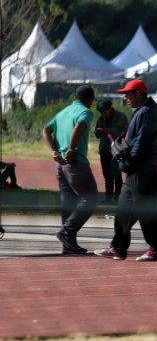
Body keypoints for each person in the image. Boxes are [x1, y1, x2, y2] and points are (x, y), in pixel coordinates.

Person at [94, 79, 157, 261]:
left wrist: (128, 161)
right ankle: (118, 247)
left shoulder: (148, 113)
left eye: (128, 94)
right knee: (124, 209)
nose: (125, 97)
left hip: (143, 170)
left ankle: (156, 248)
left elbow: (141, 141)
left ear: (138, 94)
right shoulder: (141, 112)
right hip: (136, 170)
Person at [41, 85, 98, 255]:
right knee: (90, 198)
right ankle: (67, 232)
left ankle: (68, 244)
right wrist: (71, 149)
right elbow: (79, 126)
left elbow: (45, 130)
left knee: (68, 202)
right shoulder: (85, 112)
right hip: (75, 163)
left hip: (60, 165)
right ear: (89, 99)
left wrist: (53, 151)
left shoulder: (63, 112)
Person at [94, 98, 129, 204]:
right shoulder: (101, 118)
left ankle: (118, 199)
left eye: (105, 112)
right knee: (107, 176)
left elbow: (122, 132)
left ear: (110, 109)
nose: (103, 114)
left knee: (117, 175)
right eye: (102, 113)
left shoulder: (121, 117)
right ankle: (108, 198)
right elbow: (97, 135)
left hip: (117, 150)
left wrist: (105, 130)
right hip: (104, 150)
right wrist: (98, 132)